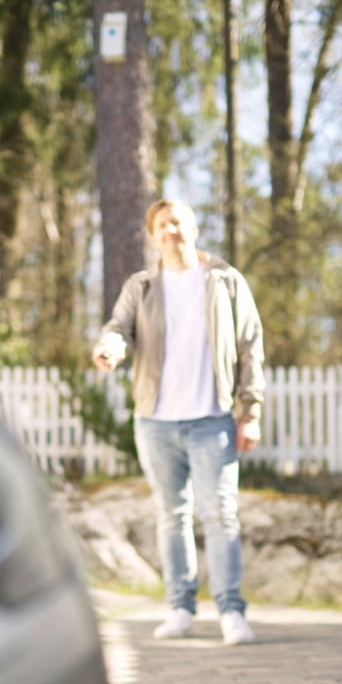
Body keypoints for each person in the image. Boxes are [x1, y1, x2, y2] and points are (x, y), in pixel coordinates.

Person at [93, 199, 265, 645]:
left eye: (178, 221)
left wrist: (250, 412)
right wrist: (110, 347)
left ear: (192, 227)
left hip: (213, 420)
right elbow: (118, 326)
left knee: (221, 516)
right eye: (163, 224)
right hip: (155, 422)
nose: (171, 229)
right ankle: (180, 609)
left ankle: (231, 612)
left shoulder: (225, 280)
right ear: (153, 235)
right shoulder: (143, 285)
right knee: (172, 517)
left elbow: (250, 346)